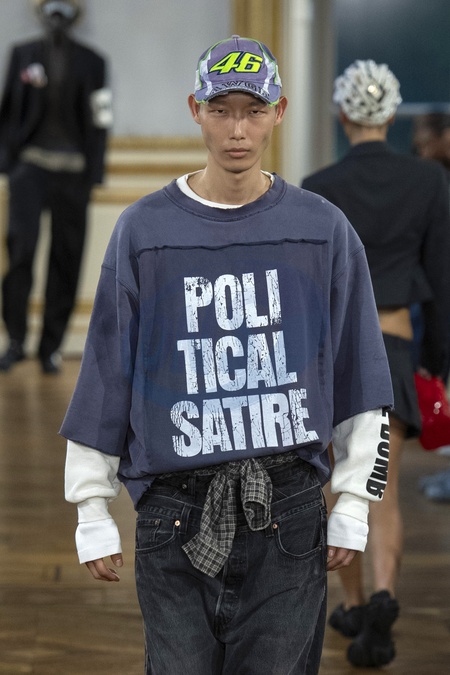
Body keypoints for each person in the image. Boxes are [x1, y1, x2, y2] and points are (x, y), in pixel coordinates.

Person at [62, 37, 394, 675]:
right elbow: (106, 371)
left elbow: (360, 373)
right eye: (221, 110)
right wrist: (90, 507)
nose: (237, 130)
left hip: (289, 507)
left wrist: (354, 501)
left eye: (253, 111)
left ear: (279, 111)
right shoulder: (143, 231)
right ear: (195, 109)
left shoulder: (323, 229)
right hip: (173, 511)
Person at [302, 59, 450, 667]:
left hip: (337, 353)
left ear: (343, 113)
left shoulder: (319, 185)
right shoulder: (429, 182)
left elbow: (309, 287)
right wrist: (436, 362)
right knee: (382, 488)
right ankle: (384, 595)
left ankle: (355, 603)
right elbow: (442, 278)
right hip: (394, 349)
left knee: (343, 483)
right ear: (391, 115)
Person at [0, 0, 112, 374]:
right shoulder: (23, 54)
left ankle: (51, 347)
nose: (56, 15)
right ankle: (16, 341)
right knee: (20, 251)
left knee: (66, 257)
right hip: (29, 167)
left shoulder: (93, 62)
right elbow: (8, 109)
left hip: (73, 172)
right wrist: (9, 165)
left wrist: (93, 174)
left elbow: (101, 118)